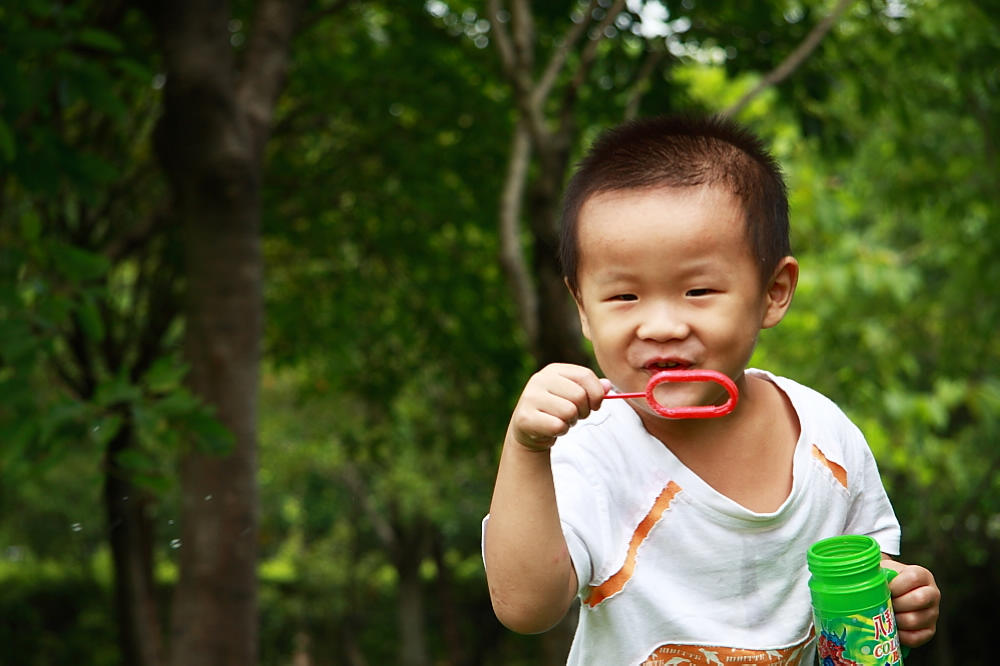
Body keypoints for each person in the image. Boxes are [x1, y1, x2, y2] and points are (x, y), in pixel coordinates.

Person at [483, 115, 940, 664]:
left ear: (773, 292)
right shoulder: (589, 450)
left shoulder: (824, 435)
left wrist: (900, 592)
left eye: (698, 290)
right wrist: (526, 447)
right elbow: (525, 608)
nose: (661, 326)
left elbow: (867, 565)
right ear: (582, 310)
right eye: (624, 297)